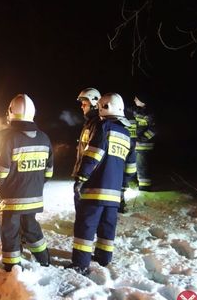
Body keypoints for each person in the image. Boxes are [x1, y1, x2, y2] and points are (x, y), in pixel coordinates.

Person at [69, 93, 136, 275]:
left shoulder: (103, 127)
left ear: (103, 107)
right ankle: (103, 258)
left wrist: (81, 177)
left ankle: (80, 264)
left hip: (95, 189)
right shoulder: (126, 134)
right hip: (114, 193)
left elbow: (93, 154)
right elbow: (130, 167)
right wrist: (122, 187)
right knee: (108, 226)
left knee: (86, 225)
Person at [0, 94, 54, 272]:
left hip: (10, 199)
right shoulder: (44, 138)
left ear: (10, 112)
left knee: (9, 232)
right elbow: (49, 172)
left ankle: (12, 266)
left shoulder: (7, 138)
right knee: (31, 227)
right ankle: (44, 258)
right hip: (34, 198)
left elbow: (0, 172)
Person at [72, 88, 101, 208]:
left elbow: (94, 153)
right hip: (85, 174)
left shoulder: (97, 124)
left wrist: (82, 177)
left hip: (90, 176)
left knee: (86, 207)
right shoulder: (89, 123)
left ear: (94, 105)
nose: (81, 107)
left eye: (84, 104)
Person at [133, 94, 156, 191]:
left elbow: (154, 129)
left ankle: (145, 187)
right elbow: (128, 109)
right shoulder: (138, 111)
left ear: (142, 101)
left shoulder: (150, 114)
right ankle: (142, 184)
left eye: (137, 98)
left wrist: (142, 138)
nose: (134, 100)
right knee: (139, 165)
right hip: (139, 144)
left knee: (142, 166)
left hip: (145, 145)